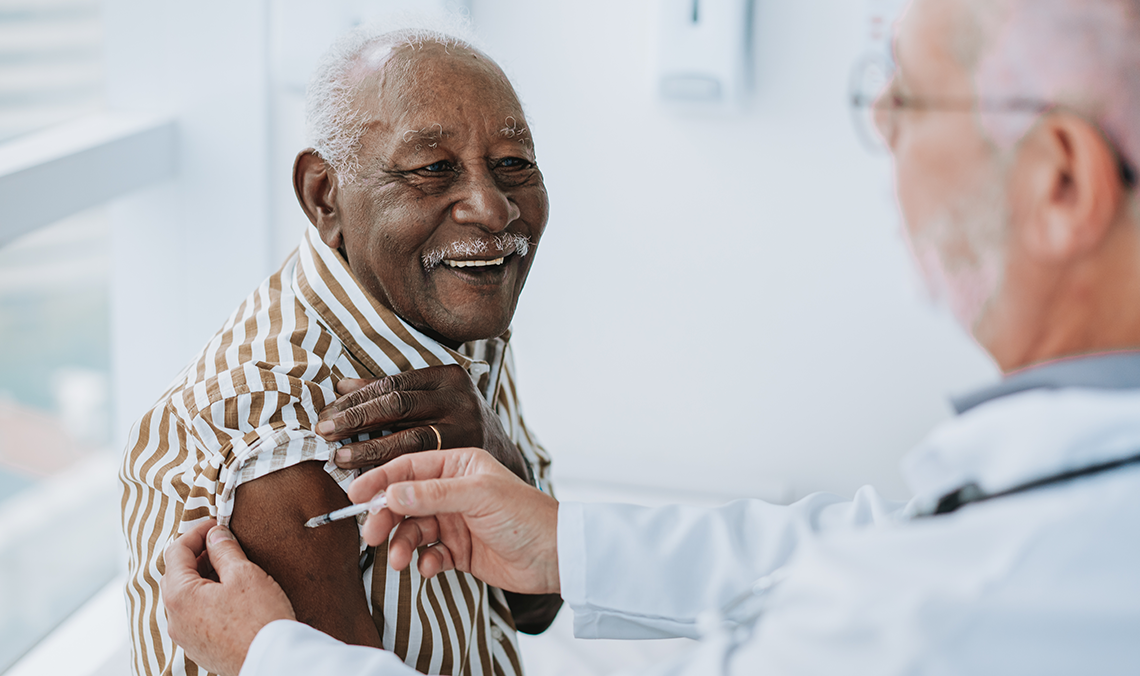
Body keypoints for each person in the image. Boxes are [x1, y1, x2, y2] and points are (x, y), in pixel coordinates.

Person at [161, 0, 1140, 673]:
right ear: (323, 197)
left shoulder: (942, 618)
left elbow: (897, 584)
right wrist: (555, 542)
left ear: (1062, 181)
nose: (882, 128)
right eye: (430, 168)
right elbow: (869, 538)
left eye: (905, 96)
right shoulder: (280, 396)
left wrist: (271, 657)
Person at [120, 22, 561, 676]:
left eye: (513, 164)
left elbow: (538, 602)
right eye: (433, 168)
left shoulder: (455, 310)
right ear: (324, 195)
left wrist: (495, 453)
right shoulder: (278, 420)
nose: (492, 209)